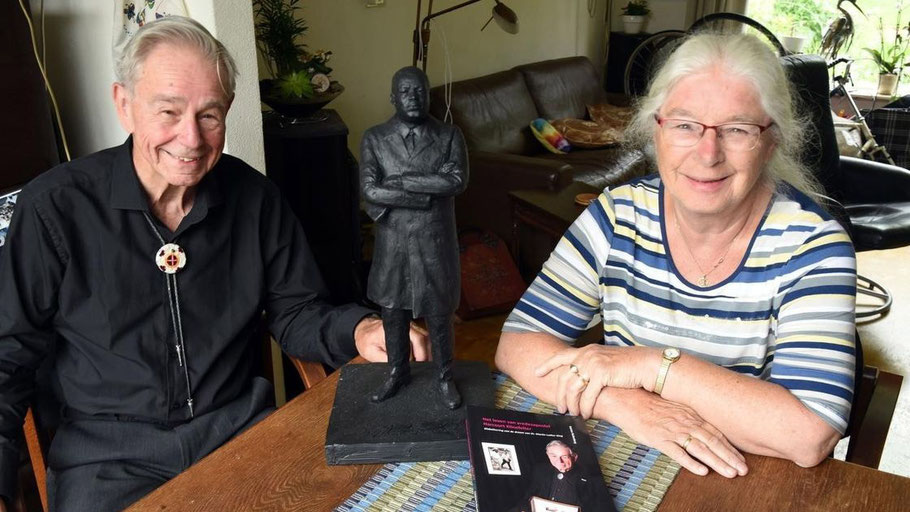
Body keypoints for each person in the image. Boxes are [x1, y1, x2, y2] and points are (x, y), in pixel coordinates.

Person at [0, 16, 427, 512]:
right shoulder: (55, 207)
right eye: (168, 111)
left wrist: (360, 329)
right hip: (108, 459)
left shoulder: (255, 198)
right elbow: (8, 352)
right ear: (124, 104)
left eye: (210, 115)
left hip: (241, 435)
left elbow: (297, 310)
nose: (191, 139)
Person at [496, 32, 857, 480]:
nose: (708, 154)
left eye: (737, 129)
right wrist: (625, 402)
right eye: (685, 125)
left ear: (772, 140)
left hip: (740, 478)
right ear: (657, 131)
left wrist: (649, 364)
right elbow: (519, 342)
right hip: (623, 460)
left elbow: (808, 434)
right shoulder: (616, 215)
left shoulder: (813, 246)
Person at [360, 66, 468, 409]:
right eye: (406, 92)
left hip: (435, 244)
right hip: (393, 245)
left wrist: (403, 182)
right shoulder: (375, 138)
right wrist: (423, 195)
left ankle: (445, 375)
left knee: (439, 314)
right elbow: (369, 189)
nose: (414, 98)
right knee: (393, 312)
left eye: (420, 91)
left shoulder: (450, 136)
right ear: (393, 98)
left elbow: (455, 181)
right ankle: (396, 371)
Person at [517, 441, 610, 512]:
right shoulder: (540, 470)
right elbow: (529, 494)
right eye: (554, 456)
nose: (559, 461)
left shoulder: (592, 480)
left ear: (574, 457)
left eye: (564, 457)